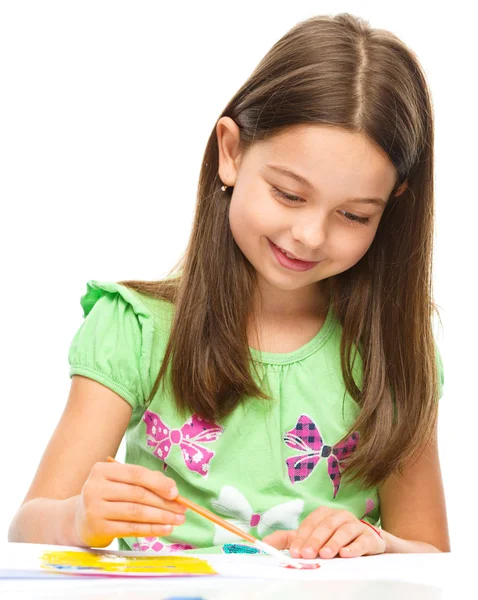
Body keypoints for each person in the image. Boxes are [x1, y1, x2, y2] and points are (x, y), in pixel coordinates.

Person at [8, 13, 450, 559]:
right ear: (231, 152)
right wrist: (77, 518)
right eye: (289, 194)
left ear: (392, 207)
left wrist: (383, 546)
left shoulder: (392, 350)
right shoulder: (137, 328)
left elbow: (433, 558)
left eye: (354, 215)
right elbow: (28, 529)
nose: (310, 235)